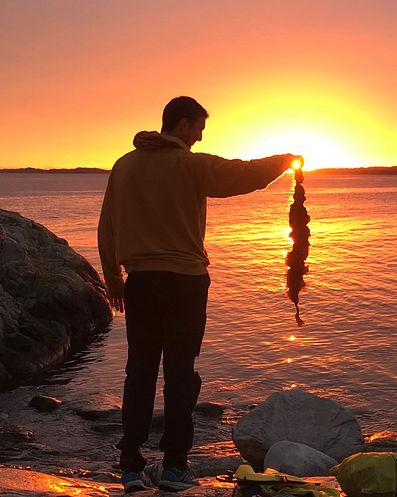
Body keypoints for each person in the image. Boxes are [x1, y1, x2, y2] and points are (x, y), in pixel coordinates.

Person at [98, 96, 300, 493]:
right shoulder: (189, 165)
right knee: (180, 375)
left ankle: (130, 467)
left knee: (138, 373)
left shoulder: (123, 166)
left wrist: (113, 281)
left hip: (140, 283)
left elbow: (107, 227)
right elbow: (243, 175)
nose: (201, 136)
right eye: (199, 128)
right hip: (185, 283)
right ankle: (174, 467)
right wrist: (286, 159)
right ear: (184, 124)